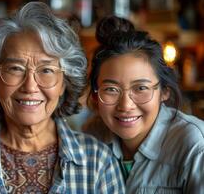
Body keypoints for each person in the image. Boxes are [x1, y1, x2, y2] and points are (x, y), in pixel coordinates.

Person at [0, 2, 125, 193]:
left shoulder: (98, 162)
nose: (30, 86)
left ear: (64, 83)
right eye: (15, 69)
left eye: (46, 70)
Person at [83, 15, 204, 193]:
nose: (126, 106)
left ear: (164, 91)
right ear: (95, 94)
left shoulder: (194, 144)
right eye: (111, 89)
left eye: (140, 88)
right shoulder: (91, 136)